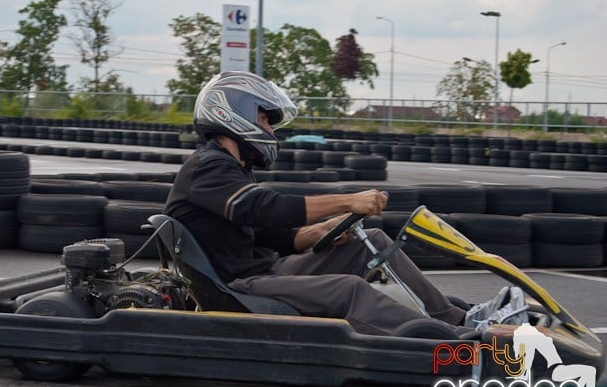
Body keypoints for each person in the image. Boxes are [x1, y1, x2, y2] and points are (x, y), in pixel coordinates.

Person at [165, 71, 526, 337]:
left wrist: (321, 231)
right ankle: (452, 344)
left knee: (374, 241)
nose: (271, 130)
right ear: (233, 113)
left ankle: (459, 320)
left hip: (266, 270)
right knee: (348, 289)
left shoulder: (229, 170)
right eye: (264, 118)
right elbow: (266, 208)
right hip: (239, 285)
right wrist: (349, 200)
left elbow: (274, 234)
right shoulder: (207, 167)